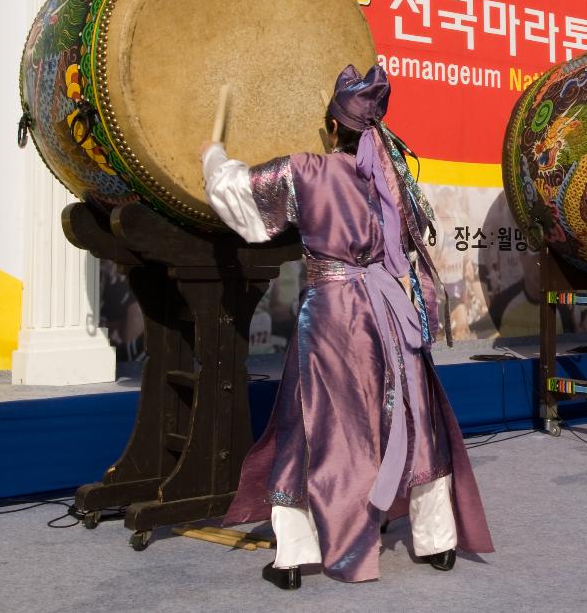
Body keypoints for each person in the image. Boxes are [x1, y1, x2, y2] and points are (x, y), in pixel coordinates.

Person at [203, 65, 492, 588]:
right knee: (411, 413)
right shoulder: (391, 177)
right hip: (389, 306)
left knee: (311, 420)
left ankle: (293, 556)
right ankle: (437, 541)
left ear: (332, 129)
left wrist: (213, 153)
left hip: (334, 309)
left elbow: (237, 197)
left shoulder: (307, 170)